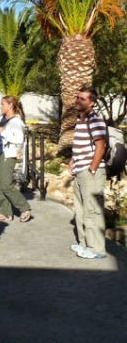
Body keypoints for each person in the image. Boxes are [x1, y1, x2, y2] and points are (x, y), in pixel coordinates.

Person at [68, 87, 108, 259]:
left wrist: (92, 168)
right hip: (80, 170)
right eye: (77, 97)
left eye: (82, 99)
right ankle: (84, 244)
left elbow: (101, 146)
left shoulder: (95, 120)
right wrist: (73, 160)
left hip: (91, 171)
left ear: (91, 103)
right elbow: (82, 146)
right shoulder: (81, 120)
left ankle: (97, 249)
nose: (78, 100)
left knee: (92, 210)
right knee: (81, 209)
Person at [0, 96, 32, 223]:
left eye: (3, 104)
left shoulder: (16, 121)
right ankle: (5, 212)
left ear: (10, 105)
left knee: (6, 184)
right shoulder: (2, 118)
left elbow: (19, 139)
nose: (0, 106)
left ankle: (24, 207)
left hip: (8, 155)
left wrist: (4, 131)